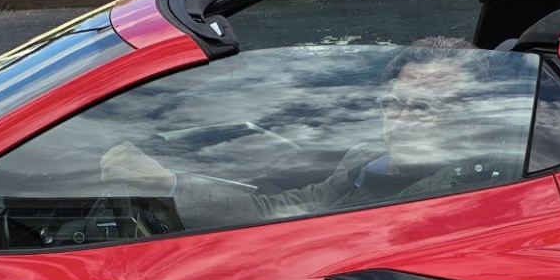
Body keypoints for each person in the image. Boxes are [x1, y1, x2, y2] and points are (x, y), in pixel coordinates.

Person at [99, 38, 510, 229]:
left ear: (469, 122)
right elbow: (278, 210)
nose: (397, 119)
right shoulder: (365, 161)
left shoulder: (463, 197)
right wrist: (168, 184)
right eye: (393, 102)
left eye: (421, 108)